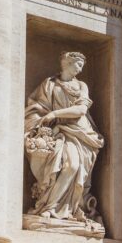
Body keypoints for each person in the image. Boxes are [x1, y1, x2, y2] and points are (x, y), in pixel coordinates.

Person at [24, 51, 104, 224]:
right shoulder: (49, 84)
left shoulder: (82, 85)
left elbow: (81, 110)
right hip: (59, 131)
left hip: (82, 133)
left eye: (82, 66)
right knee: (66, 166)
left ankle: (60, 208)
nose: (80, 69)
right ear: (67, 63)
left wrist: (54, 114)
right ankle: (50, 207)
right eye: (78, 65)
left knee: (73, 166)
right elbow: (37, 107)